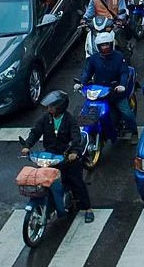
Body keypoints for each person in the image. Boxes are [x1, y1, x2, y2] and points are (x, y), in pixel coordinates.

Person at [21, 91, 95, 223]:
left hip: (66, 155)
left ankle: (87, 208)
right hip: (49, 156)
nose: (49, 109)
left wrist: (74, 152)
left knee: (75, 181)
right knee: (39, 179)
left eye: (52, 106)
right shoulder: (45, 118)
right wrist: (27, 146)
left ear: (60, 107)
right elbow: (35, 132)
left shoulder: (69, 120)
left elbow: (76, 137)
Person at [78, 32, 136, 140]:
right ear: (98, 46)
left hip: (115, 91)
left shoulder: (119, 57)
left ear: (111, 44)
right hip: (99, 92)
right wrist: (81, 84)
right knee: (87, 111)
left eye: (107, 44)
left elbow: (124, 72)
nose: (105, 47)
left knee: (126, 112)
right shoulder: (93, 59)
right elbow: (87, 73)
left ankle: (133, 132)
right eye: (102, 45)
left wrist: (122, 85)